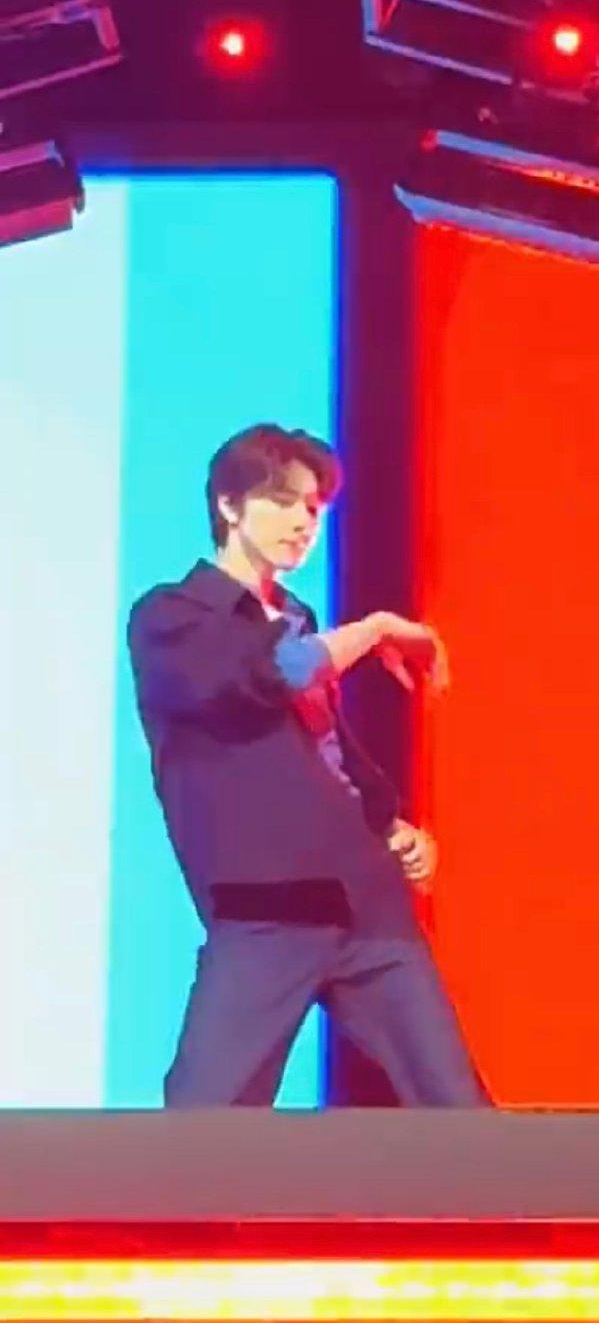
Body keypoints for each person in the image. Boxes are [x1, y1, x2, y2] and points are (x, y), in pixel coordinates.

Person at [127, 421, 488, 1108]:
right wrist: (375, 629)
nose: (303, 522)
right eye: (283, 500)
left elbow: (323, 753)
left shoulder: (296, 617)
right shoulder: (175, 617)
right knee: (202, 1127)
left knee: (457, 1114)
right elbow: (263, 678)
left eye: (314, 507)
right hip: (266, 910)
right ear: (230, 506)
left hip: (368, 907)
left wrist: (390, 827)